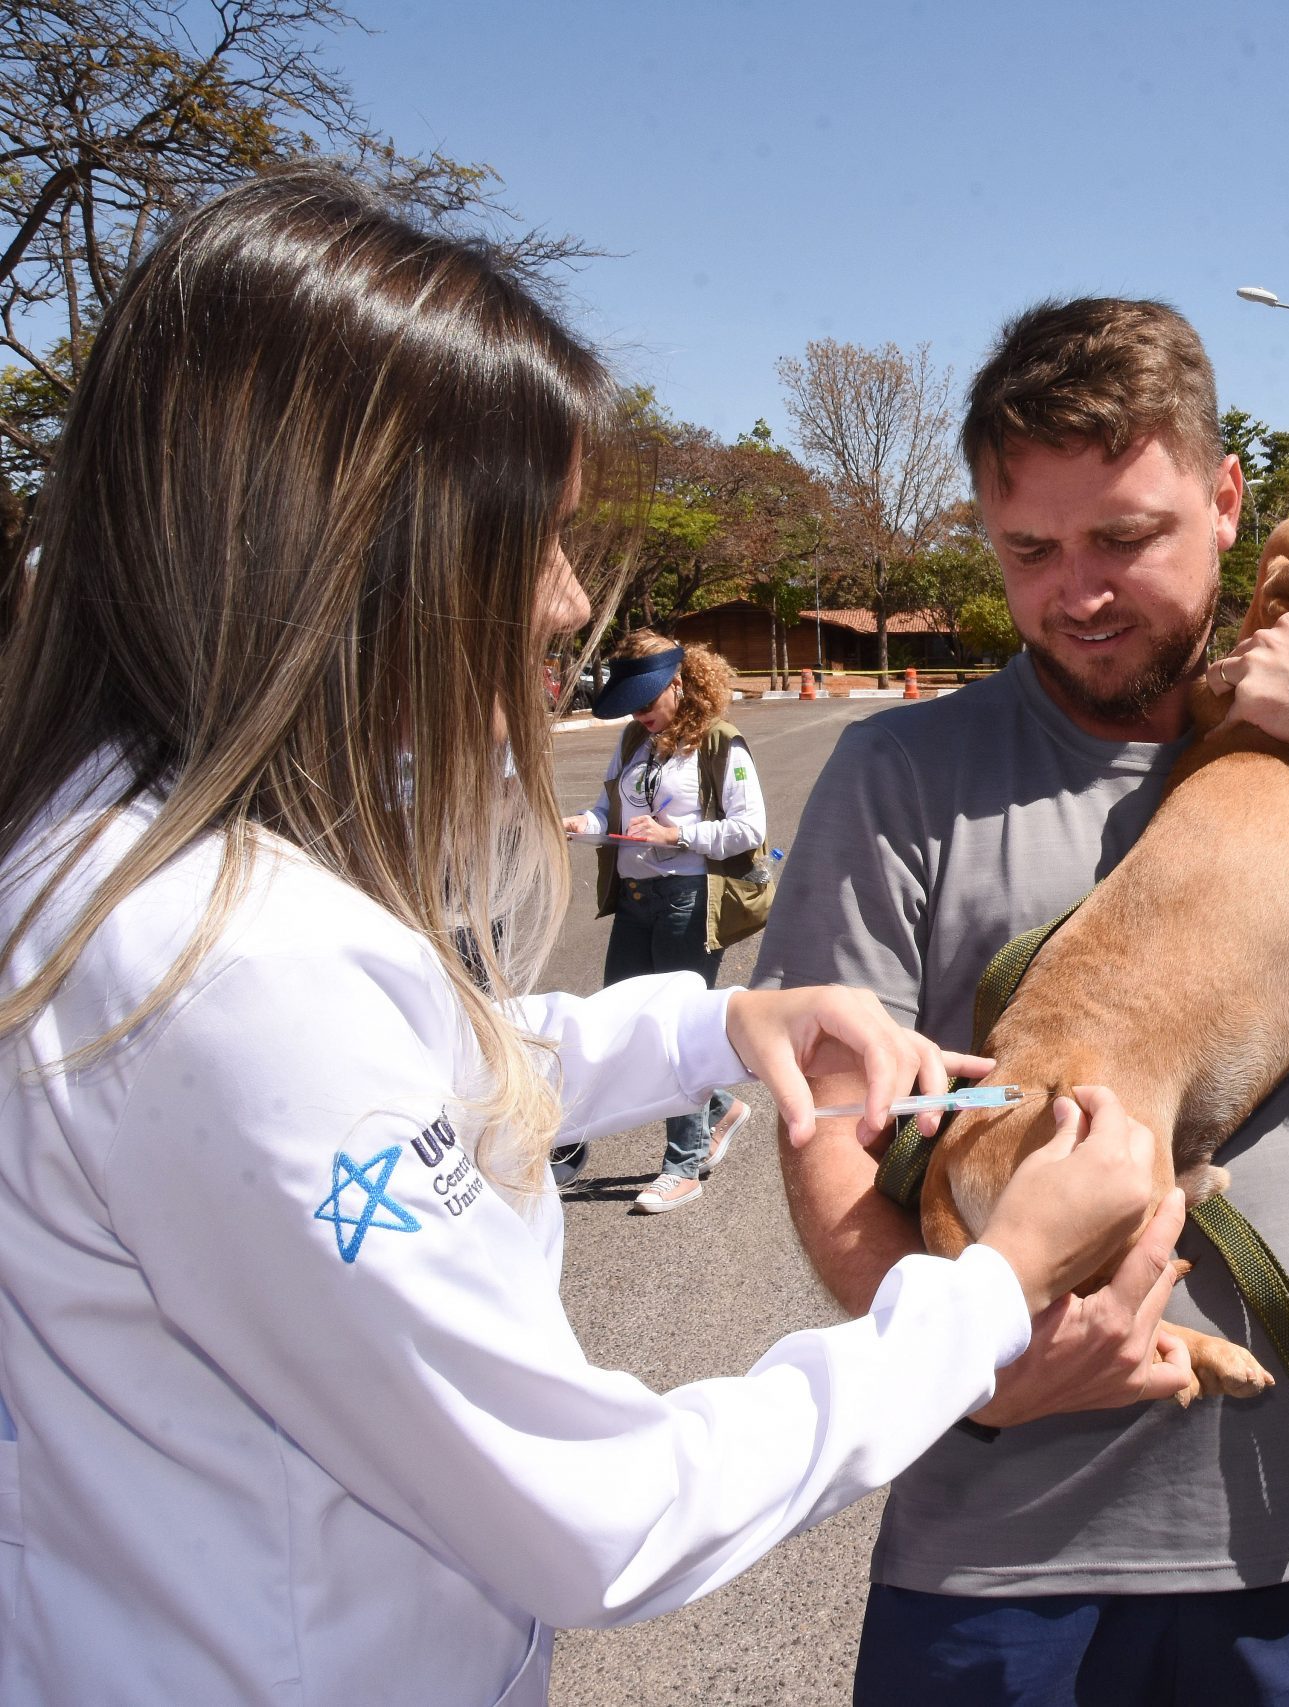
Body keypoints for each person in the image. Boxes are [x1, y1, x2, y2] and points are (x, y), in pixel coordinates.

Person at [0, 173, 1178, 1707]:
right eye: (535, 540)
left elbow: (412, 1077)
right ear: (342, 548)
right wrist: (990, 1288)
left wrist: (712, 1028)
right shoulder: (223, 971)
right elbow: (599, 1512)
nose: (566, 603)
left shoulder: (155, 865)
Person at [754, 297, 1289, 1705]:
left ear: (1230, 501)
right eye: (1030, 550)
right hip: (990, 1563)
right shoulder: (899, 776)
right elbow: (829, 1126)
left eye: (1126, 537)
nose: (1081, 590)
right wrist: (966, 1368)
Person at [561, 629, 767, 1211]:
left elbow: (750, 829)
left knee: (674, 1032)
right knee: (623, 1018)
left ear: (679, 682)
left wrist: (680, 834)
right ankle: (721, 1108)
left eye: (648, 700)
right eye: (633, 704)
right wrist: (588, 822)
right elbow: (612, 809)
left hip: (689, 899)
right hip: (634, 895)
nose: (641, 713)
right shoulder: (633, 741)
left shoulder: (722, 743)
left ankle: (683, 1164)